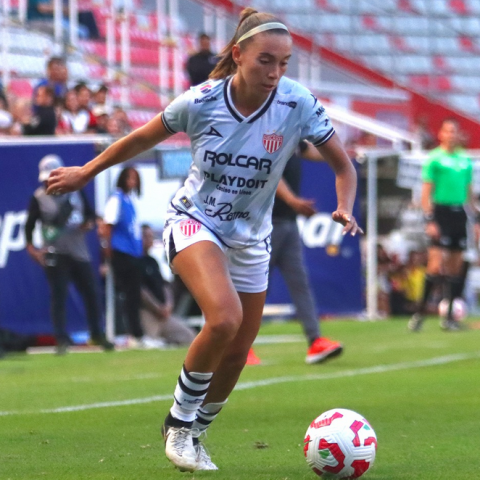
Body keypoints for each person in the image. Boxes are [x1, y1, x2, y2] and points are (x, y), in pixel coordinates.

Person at [46, 7, 361, 472]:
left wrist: (345, 205)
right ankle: (177, 422)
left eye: (284, 63)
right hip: (195, 222)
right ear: (238, 55)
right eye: (265, 61)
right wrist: (86, 172)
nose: (275, 73)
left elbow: (344, 165)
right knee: (224, 317)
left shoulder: (298, 104)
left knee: (235, 354)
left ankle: (195, 433)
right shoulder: (201, 100)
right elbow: (139, 139)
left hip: (253, 239)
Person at [25, 155, 114, 354]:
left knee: (91, 293)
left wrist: (88, 224)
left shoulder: (76, 193)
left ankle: (97, 334)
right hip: (55, 252)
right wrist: (32, 250)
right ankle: (61, 339)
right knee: (59, 296)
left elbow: (91, 215)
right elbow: (29, 226)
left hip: (79, 251)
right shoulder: (38, 197)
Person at [269, 140, 343, 364]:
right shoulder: (268, 133)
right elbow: (268, 171)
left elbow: (315, 151)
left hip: (288, 223)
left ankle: (315, 341)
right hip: (263, 223)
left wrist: (338, 153)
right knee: (251, 287)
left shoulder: (294, 136)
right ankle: (238, 347)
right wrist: (292, 200)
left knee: (299, 283)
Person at [408, 118, 477, 332]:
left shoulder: (465, 160)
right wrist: (430, 219)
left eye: (454, 131)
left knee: (457, 266)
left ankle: (449, 318)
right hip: (440, 212)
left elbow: (469, 194)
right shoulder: (434, 159)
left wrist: (476, 220)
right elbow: (426, 193)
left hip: (459, 214)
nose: (451, 135)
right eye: (448, 131)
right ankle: (419, 313)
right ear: (441, 134)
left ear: (458, 135)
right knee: (436, 264)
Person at [103, 167, 163, 349]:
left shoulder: (130, 201)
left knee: (134, 295)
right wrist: (108, 250)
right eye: (130, 178)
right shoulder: (116, 199)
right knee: (129, 295)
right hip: (122, 253)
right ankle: (133, 334)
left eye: (135, 179)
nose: (133, 182)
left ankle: (136, 333)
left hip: (132, 253)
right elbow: (108, 225)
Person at [140, 225, 197, 346]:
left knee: (189, 336)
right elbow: (141, 290)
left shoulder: (152, 261)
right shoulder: (135, 262)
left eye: (151, 236)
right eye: (146, 236)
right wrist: (157, 308)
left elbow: (164, 285)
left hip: (164, 313)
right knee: (151, 343)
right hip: (148, 312)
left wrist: (168, 305)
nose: (149, 240)